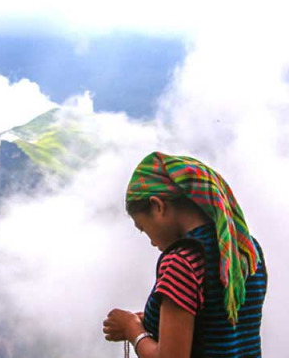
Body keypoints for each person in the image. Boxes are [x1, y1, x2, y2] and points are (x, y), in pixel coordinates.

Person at [102, 152, 267, 358]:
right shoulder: (246, 250)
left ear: (158, 206)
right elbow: (215, 324)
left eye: (143, 227)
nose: (152, 241)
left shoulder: (182, 262)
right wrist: (150, 320)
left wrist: (132, 330)